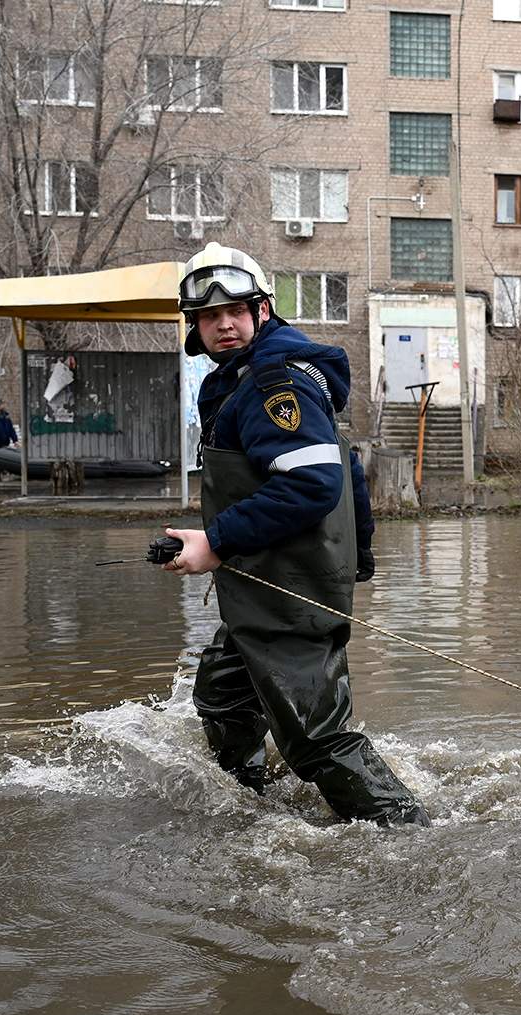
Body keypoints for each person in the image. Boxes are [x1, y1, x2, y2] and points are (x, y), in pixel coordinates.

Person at [157, 243, 424, 826]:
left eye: (237, 311)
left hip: (287, 582)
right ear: (194, 326)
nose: (223, 325)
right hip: (272, 574)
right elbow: (348, 467)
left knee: (315, 739)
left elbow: (313, 484)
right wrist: (359, 555)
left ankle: (416, 841)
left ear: (263, 310)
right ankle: (249, 806)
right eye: (207, 316)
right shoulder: (253, 375)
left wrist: (216, 541)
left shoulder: (273, 380)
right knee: (224, 691)